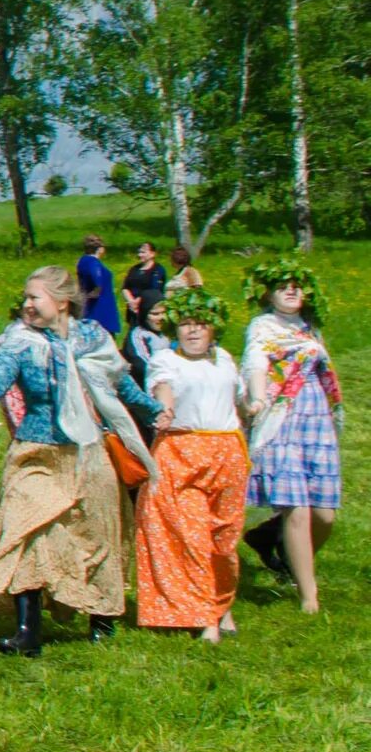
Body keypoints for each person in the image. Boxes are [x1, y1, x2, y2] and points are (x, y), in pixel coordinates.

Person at [0, 266, 157, 655]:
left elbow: (121, 382)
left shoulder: (93, 338)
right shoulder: (20, 343)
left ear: (61, 302)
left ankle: (102, 619)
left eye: (34, 297)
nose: (26, 304)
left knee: (95, 537)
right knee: (24, 528)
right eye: (26, 297)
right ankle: (27, 633)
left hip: (87, 453)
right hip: (35, 452)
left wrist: (154, 410)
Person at [136, 287, 260, 641]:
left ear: (213, 329)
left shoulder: (224, 359)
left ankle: (222, 606)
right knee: (191, 536)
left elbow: (239, 400)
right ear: (175, 329)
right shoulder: (166, 360)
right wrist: (166, 409)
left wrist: (254, 406)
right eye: (186, 324)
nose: (192, 331)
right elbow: (162, 388)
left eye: (200, 324)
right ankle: (204, 617)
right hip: (181, 451)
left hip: (227, 453)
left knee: (223, 538)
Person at [238, 258, 340, 614]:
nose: (292, 291)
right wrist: (256, 396)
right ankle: (308, 596)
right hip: (281, 419)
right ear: (268, 295)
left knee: (325, 516)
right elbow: (255, 362)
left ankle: (275, 542)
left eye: (296, 286)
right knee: (297, 509)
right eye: (283, 287)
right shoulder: (262, 326)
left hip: (316, 420)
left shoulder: (310, 327)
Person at [74, 236, 123, 338]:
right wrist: (97, 288)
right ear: (100, 249)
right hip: (101, 307)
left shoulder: (82, 261)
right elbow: (96, 276)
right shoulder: (93, 262)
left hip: (87, 306)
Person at [122, 242, 169, 332]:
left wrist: (138, 301)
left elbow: (154, 289)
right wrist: (131, 301)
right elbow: (125, 287)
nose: (140, 255)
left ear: (152, 254)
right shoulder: (134, 269)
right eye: (139, 252)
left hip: (148, 309)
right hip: (133, 309)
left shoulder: (158, 270)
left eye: (143, 252)